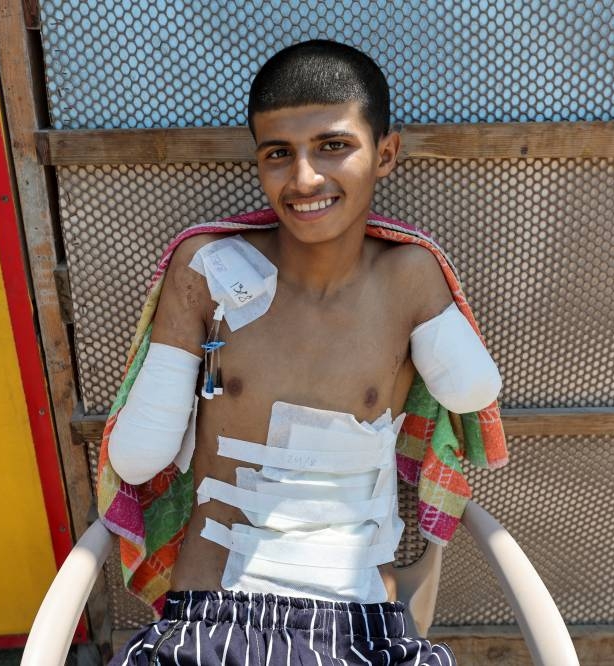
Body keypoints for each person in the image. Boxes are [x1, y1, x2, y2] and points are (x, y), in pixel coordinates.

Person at [96, 39, 507, 666]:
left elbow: (471, 390)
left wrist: (422, 284)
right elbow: (139, 455)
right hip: (211, 624)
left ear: (386, 153)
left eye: (334, 146)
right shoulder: (207, 269)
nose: (305, 178)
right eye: (278, 154)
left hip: (359, 628)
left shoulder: (408, 278)